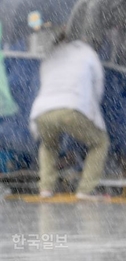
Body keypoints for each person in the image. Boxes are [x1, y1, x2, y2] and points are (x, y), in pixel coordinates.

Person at [30, 34, 110, 201]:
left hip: (43, 111)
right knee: (99, 143)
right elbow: (98, 85)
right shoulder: (87, 52)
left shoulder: (49, 55)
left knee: (49, 146)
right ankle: (86, 190)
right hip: (73, 107)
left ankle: (46, 188)